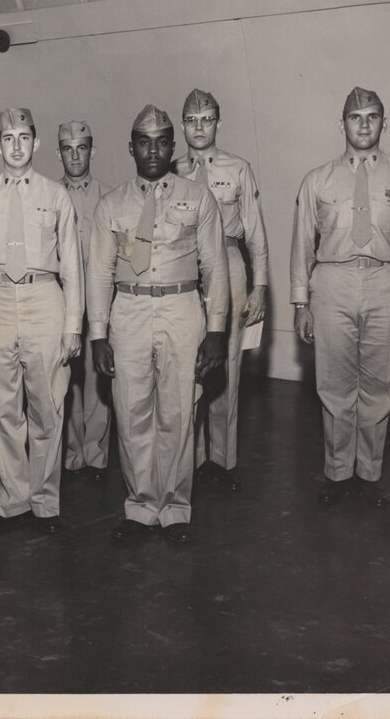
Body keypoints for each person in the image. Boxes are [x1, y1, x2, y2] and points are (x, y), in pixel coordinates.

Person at [88, 105, 228, 544]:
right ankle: (141, 505)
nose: (153, 150)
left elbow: (216, 266)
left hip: (182, 309)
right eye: (144, 142)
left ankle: (176, 509)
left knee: (178, 411)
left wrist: (217, 330)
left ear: (173, 147)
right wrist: (97, 333)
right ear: (132, 148)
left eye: (163, 141)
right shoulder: (111, 204)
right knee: (131, 413)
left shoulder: (199, 197)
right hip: (128, 312)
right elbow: (97, 271)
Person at [290, 87, 390, 508]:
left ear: (384, 123)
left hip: (388, 285)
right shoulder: (317, 180)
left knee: (381, 385)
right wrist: (301, 303)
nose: (364, 124)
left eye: (372, 116)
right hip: (332, 285)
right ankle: (337, 474)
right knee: (333, 385)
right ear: (342, 124)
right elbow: (302, 246)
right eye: (355, 117)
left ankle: (369, 475)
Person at [0, 107, 83, 534]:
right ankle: (12, 499)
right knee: (0, 406)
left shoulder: (56, 196)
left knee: (48, 404)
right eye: (8, 138)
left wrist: (73, 325)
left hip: (43, 299)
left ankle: (45, 501)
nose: (16, 145)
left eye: (24, 137)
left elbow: (72, 265)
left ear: (36, 143)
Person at [173, 89, 269, 492]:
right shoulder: (171, 169)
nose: (199, 127)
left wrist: (260, 286)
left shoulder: (239, 168)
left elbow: (256, 234)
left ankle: (222, 462)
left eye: (207, 119)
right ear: (182, 125)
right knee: (187, 364)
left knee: (226, 364)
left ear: (217, 123)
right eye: (192, 121)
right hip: (185, 268)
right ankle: (190, 460)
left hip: (229, 266)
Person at [56, 120, 112, 482]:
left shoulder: (109, 197)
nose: (75, 155)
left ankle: (97, 453)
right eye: (67, 148)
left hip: (99, 295)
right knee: (65, 377)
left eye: (81, 148)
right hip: (61, 296)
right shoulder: (48, 195)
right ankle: (71, 451)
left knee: (97, 376)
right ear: (59, 152)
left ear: (92, 150)